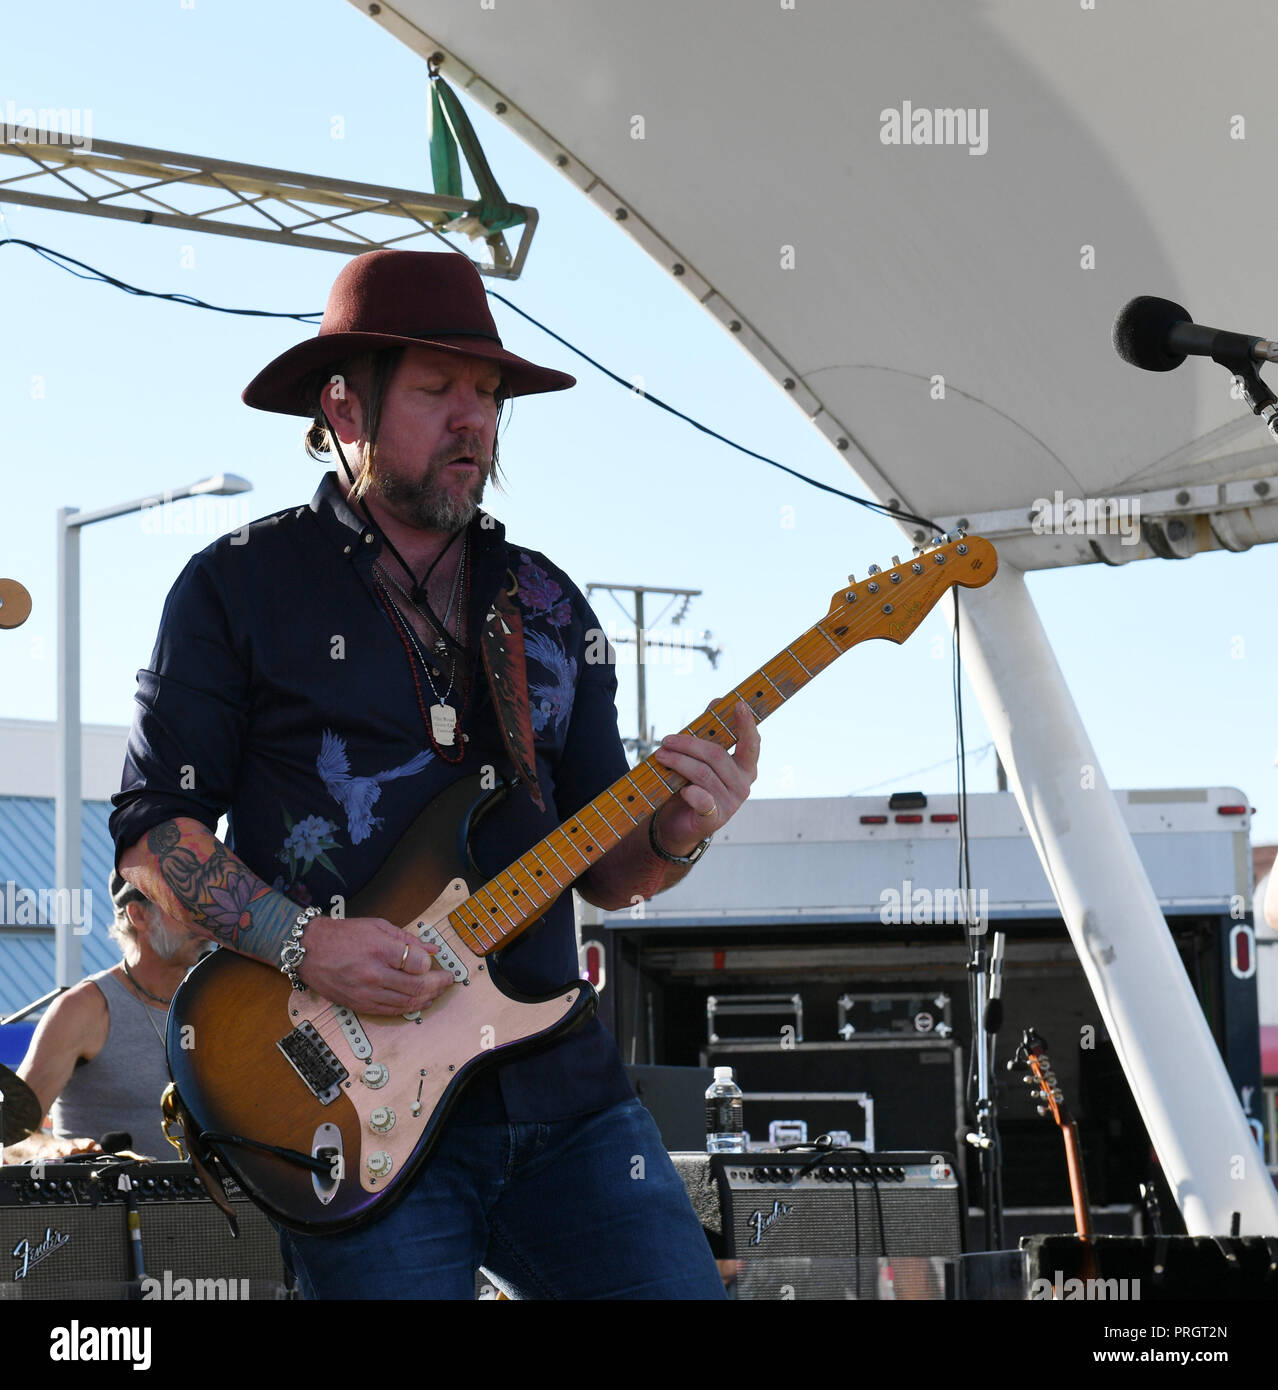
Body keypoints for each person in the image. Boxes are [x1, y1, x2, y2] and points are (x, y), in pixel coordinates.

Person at [111, 249, 760, 1299]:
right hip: (349, 1105)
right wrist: (305, 943)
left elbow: (609, 869)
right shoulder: (237, 586)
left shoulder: (547, 604)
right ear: (344, 406)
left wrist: (683, 827)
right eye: (437, 388)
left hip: (564, 1091)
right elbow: (155, 835)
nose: (475, 419)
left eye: (490, 393)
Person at [4, 871, 209, 1162]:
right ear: (138, 915)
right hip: (110, 1206)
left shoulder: (217, 1003)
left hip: (213, 1207)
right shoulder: (82, 1009)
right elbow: (11, 1134)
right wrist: (54, 1149)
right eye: (183, 905)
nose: (202, 919)